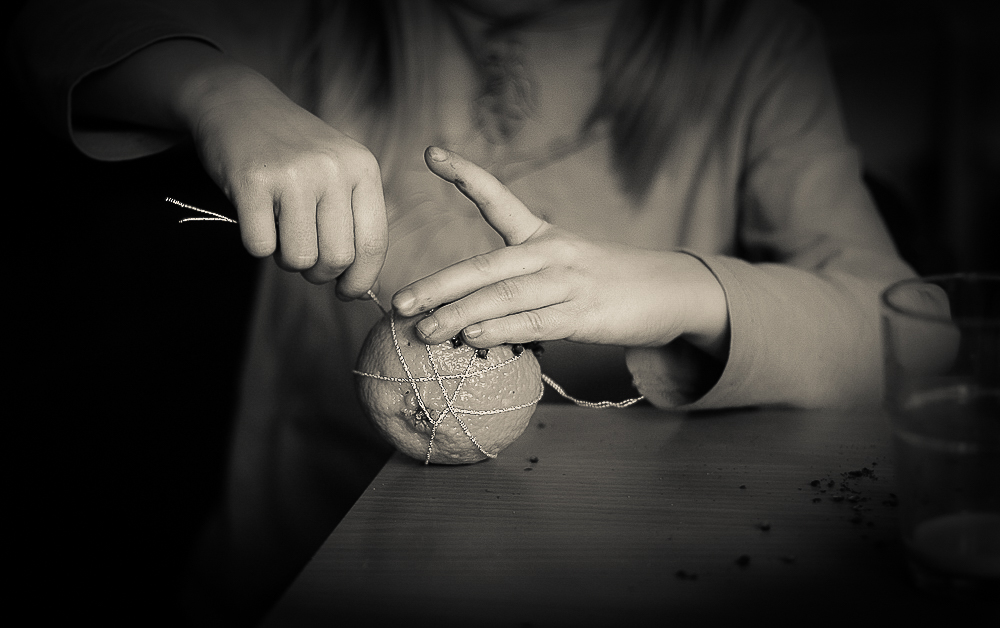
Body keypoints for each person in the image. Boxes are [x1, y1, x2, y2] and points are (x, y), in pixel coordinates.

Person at [10, 0, 917, 623]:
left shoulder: (749, 38)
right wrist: (214, 89)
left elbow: (907, 335)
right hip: (294, 572)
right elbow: (48, 28)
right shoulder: (333, 17)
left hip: (614, 581)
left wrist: (681, 289)